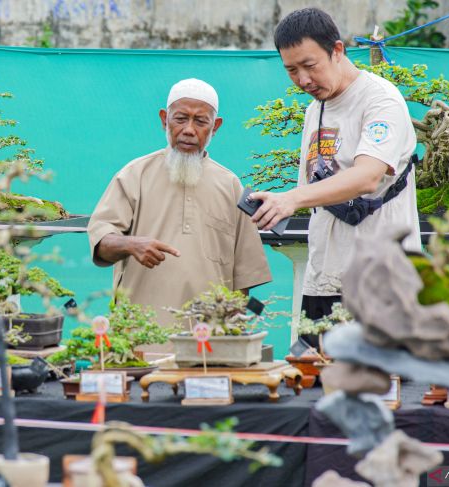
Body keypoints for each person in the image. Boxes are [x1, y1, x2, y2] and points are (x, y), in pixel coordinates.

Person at [249, 8, 421, 320]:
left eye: (309, 65)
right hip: (324, 280)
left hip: (383, 281)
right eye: (291, 70)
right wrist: (273, 204)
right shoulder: (315, 111)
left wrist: (292, 198)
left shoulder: (380, 100)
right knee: (318, 368)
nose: (302, 79)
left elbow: (368, 176)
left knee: (377, 370)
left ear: (337, 50)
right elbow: (312, 189)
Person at [87, 78, 271, 325]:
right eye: (180, 119)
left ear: (215, 126)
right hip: (142, 337)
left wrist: (232, 335)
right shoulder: (134, 175)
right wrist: (131, 244)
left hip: (208, 341)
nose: (189, 130)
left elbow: (243, 275)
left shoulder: (230, 184)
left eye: (200, 121)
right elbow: (101, 242)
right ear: (165, 119)